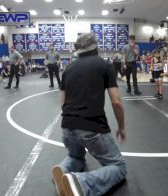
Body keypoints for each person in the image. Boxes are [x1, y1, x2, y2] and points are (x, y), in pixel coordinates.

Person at [52, 33, 127, 196]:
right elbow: (116, 101)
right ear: (96, 47)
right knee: (119, 167)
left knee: (76, 156)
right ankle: (81, 183)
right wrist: (121, 128)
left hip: (67, 128)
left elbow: (62, 102)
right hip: (92, 128)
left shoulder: (68, 68)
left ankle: (63, 170)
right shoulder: (104, 66)